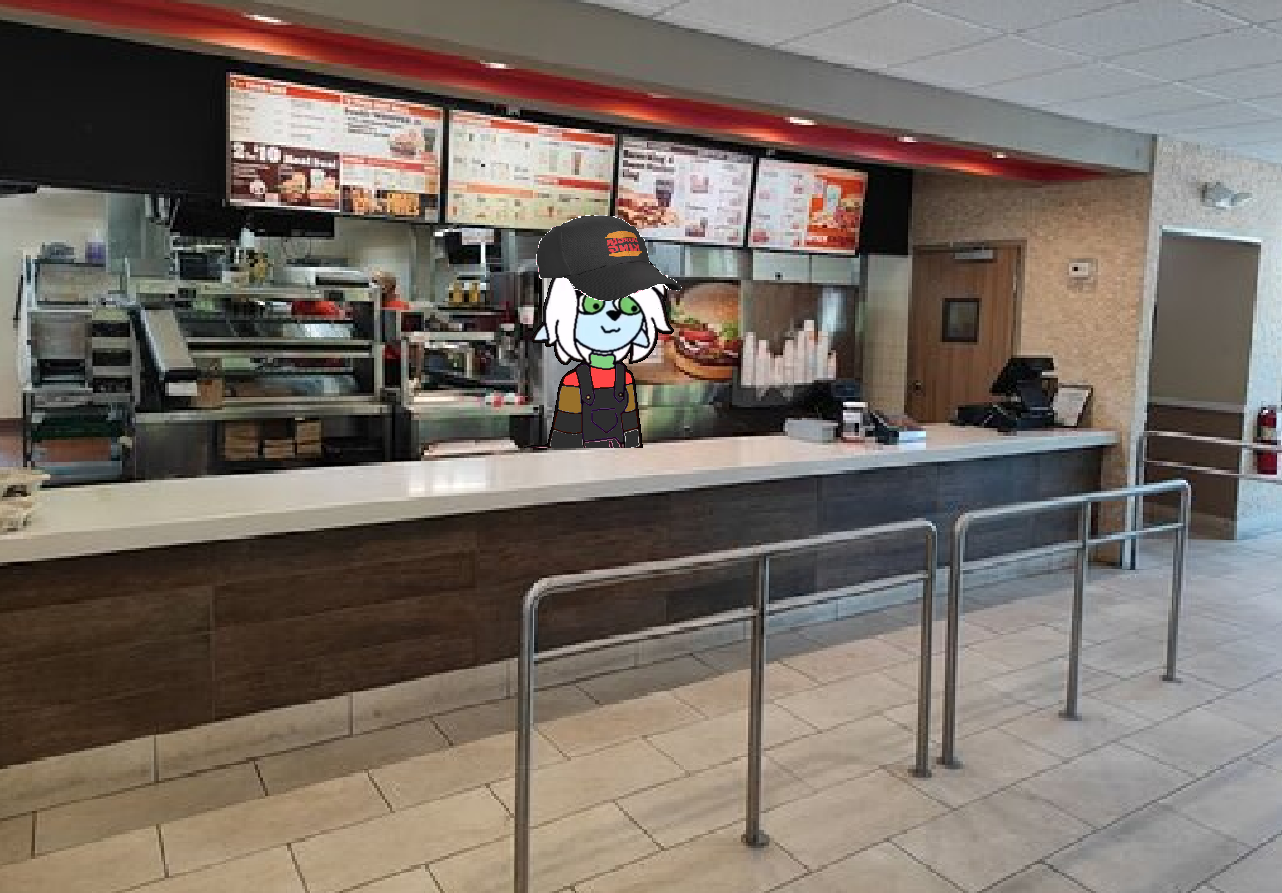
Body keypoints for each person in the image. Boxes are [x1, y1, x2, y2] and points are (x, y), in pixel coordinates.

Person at [533, 216, 676, 448]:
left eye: (631, 307)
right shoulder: (573, 382)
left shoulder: (624, 378)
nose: (615, 317)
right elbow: (564, 435)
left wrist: (632, 453)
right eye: (594, 306)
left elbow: (630, 427)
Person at [375, 272, 411, 388]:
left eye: (376, 282)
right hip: (377, 361)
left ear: (388, 285)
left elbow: (416, 341)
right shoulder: (377, 307)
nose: (373, 287)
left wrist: (417, 375)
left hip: (393, 363)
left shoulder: (400, 307)